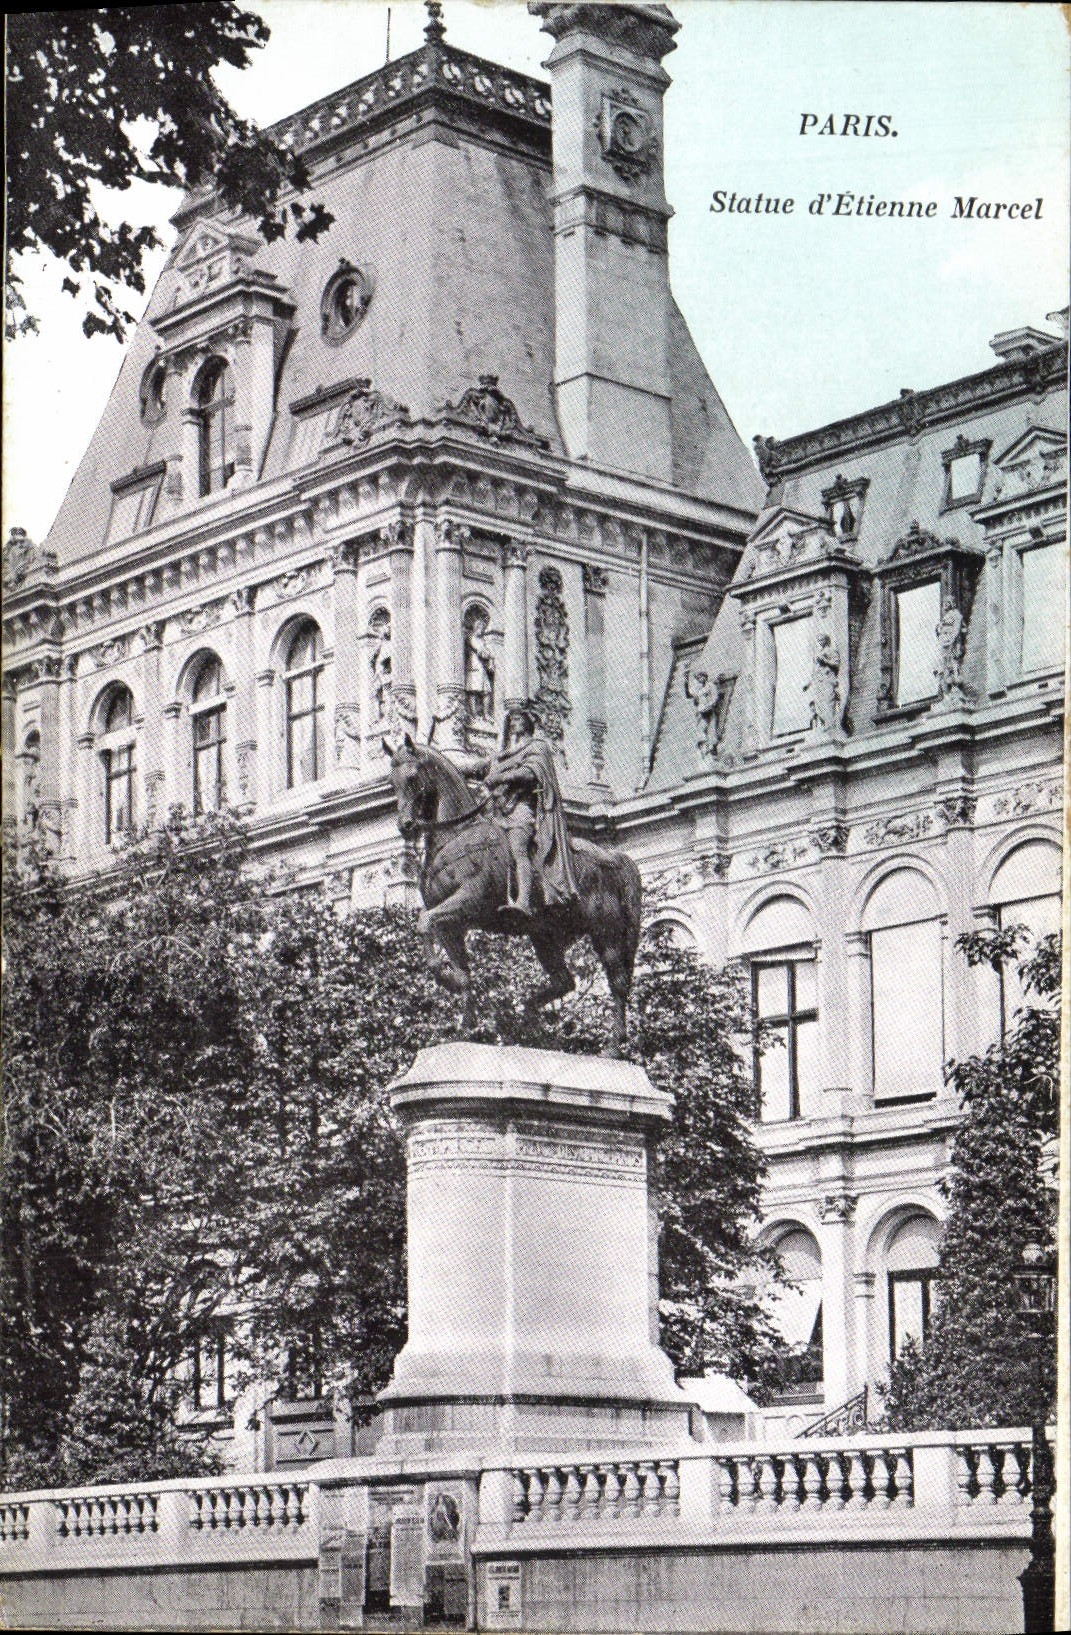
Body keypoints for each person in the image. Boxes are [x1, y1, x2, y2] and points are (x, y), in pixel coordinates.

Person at [485, 707, 578, 915]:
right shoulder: (504, 755)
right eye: (512, 720)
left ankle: (524, 902)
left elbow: (530, 773)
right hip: (498, 812)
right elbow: (480, 766)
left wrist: (500, 778)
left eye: (518, 719)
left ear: (528, 722)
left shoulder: (537, 747)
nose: (514, 723)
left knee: (518, 848)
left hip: (522, 809)